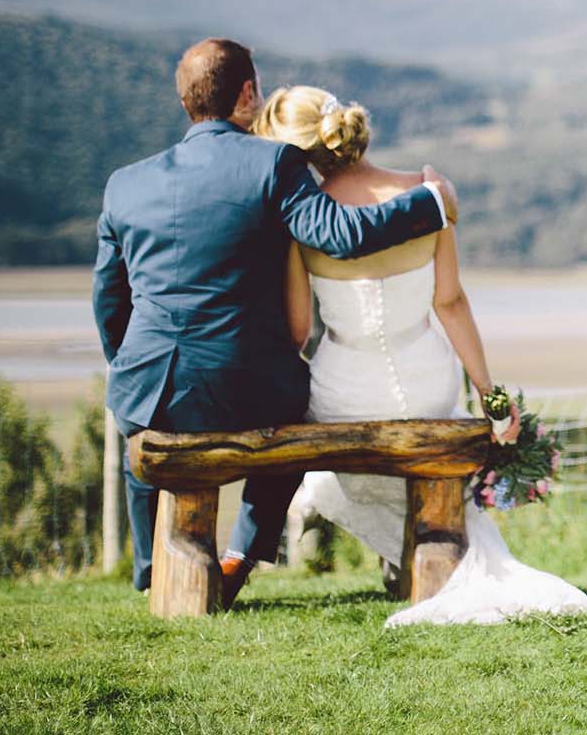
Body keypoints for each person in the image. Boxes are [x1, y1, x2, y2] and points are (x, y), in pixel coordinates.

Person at [93, 39, 458, 604]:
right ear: (246, 94)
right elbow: (342, 235)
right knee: (295, 405)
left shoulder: (125, 184)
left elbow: (108, 301)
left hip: (150, 384)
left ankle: (149, 573)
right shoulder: (274, 163)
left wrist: (128, 367)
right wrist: (431, 200)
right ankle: (240, 552)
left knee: (137, 432)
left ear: (186, 101)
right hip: (249, 388)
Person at [241, 84, 587, 626]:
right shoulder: (427, 194)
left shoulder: (305, 220)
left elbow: (297, 329)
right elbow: (450, 303)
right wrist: (491, 394)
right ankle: (415, 553)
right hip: (429, 378)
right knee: (429, 441)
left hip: (345, 389)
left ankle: (399, 552)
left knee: (326, 473)